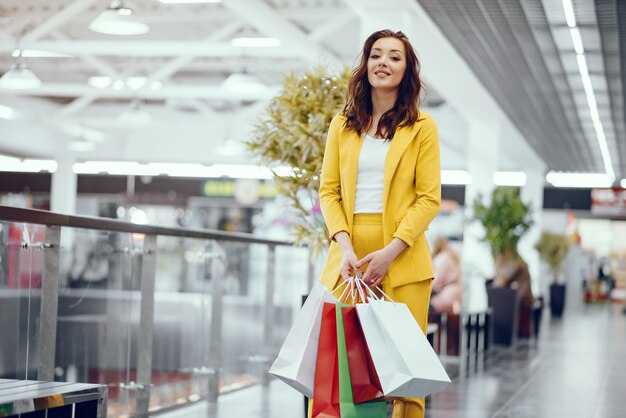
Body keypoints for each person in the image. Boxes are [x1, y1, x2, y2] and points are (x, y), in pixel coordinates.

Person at [316, 29, 441, 418]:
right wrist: (344, 246)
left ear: (407, 70)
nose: (383, 63)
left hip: (401, 256)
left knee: (404, 375)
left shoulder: (422, 127)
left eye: (394, 57)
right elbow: (329, 191)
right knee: (341, 368)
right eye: (376, 55)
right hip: (349, 257)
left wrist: (390, 253)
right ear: (365, 64)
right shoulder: (343, 124)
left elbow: (428, 198)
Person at [430, 236, 463, 315]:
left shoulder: (443, 257)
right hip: (457, 294)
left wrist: (427, 287)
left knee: (428, 307)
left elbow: (436, 278)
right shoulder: (453, 256)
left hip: (447, 294)